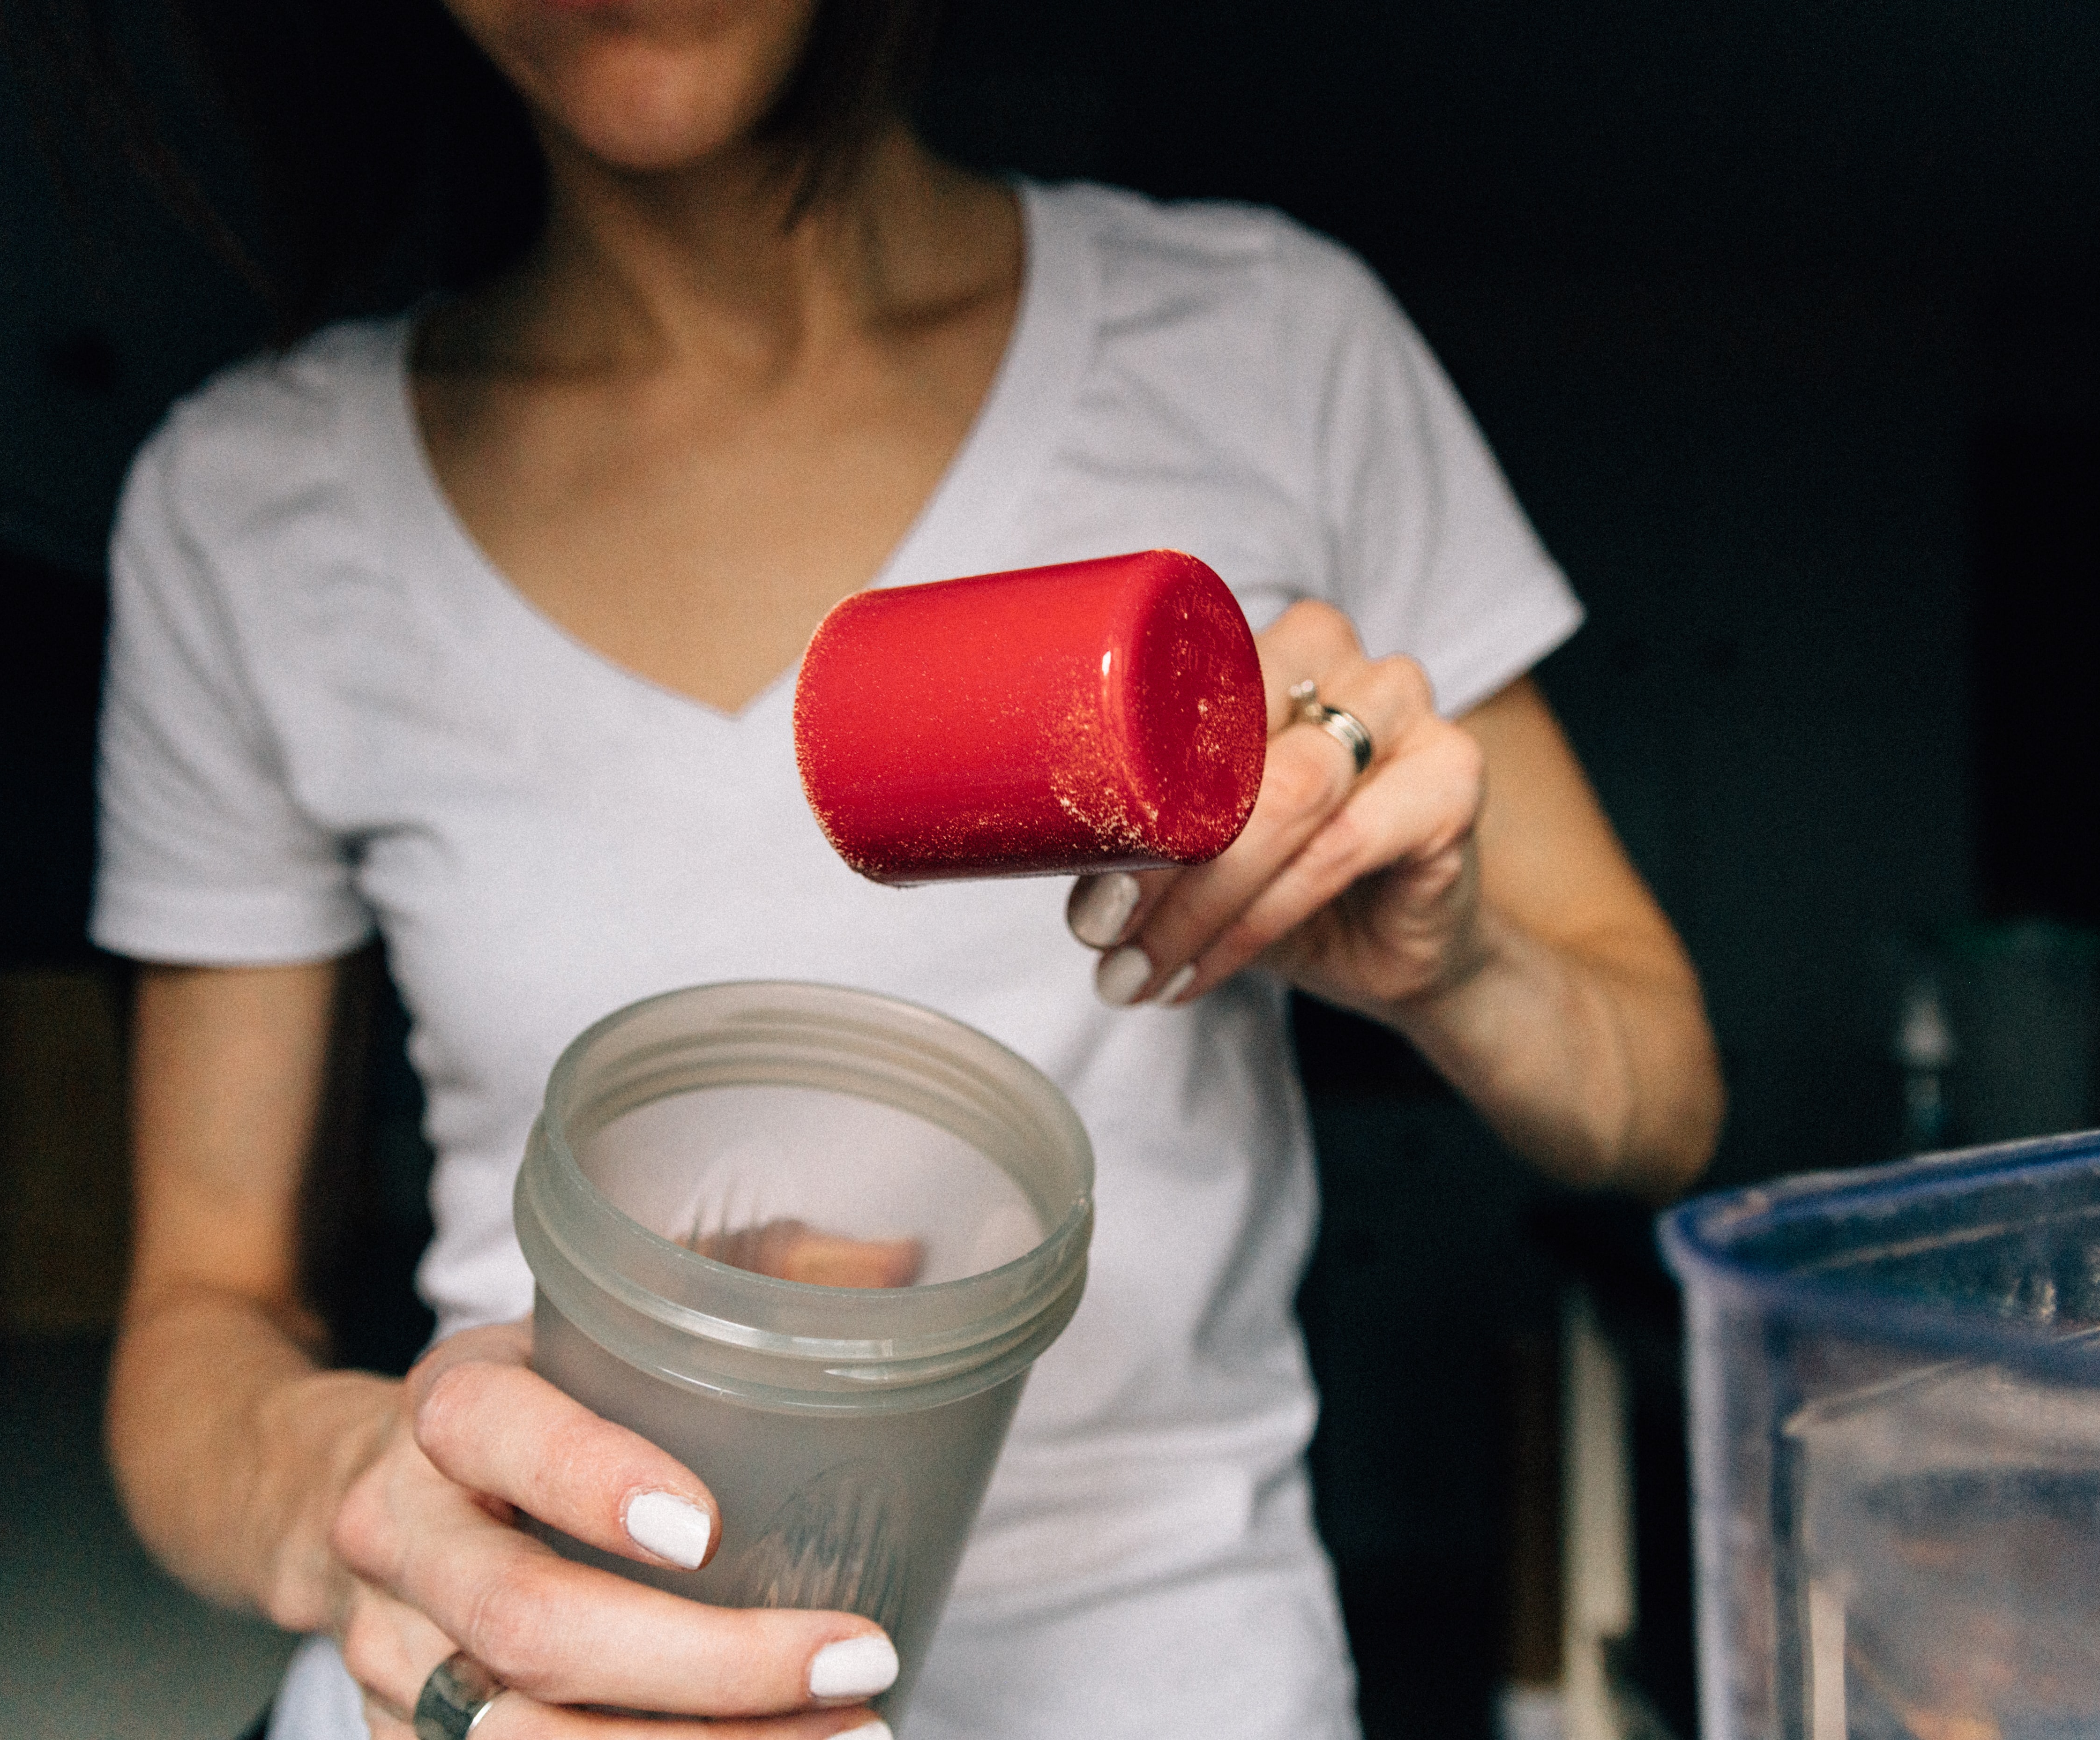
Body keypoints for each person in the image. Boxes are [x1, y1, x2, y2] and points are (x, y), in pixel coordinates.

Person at [89, 1, 1725, 1736]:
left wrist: (1458, 966)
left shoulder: (1268, 344)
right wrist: (369, 1514)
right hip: (520, 1690)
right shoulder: (249, 504)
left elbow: (1665, 1106)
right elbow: (202, 1314)